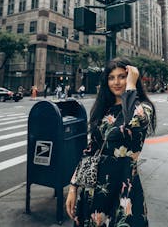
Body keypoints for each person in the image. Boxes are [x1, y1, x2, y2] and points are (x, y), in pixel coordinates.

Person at [66, 57, 156, 227]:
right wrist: (73, 186)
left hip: (123, 187)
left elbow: (134, 122)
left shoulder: (143, 108)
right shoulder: (103, 109)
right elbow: (90, 150)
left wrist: (131, 85)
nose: (116, 82)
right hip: (94, 188)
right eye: (111, 77)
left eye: (122, 76)